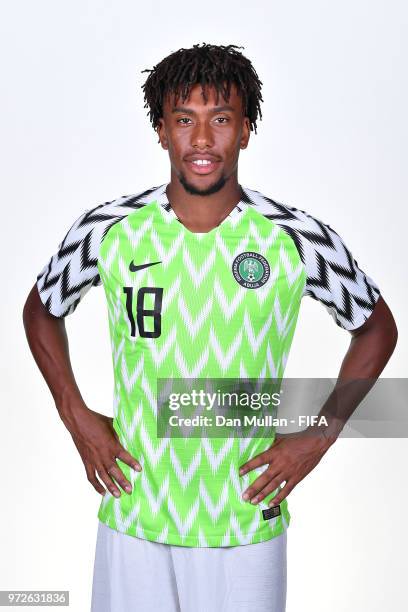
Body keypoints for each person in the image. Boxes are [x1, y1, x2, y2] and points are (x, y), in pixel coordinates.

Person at [23, 43, 397, 612]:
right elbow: (41, 310)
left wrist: (316, 439)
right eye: (184, 120)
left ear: (245, 130)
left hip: (243, 516)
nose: (202, 141)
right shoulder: (109, 230)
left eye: (220, 119)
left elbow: (377, 328)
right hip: (135, 509)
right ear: (161, 130)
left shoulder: (295, 238)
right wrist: (77, 418)